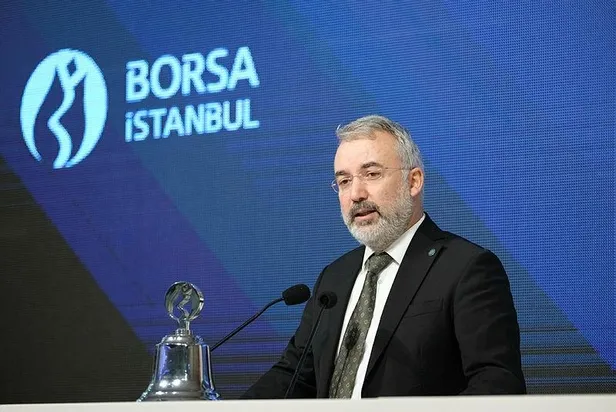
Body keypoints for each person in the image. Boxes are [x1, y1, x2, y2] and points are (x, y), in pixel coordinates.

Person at [242, 115, 526, 398]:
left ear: (413, 181)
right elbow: (293, 376)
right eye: (344, 181)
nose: (356, 194)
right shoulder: (334, 278)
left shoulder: (466, 268)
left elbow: (497, 383)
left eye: (372, 174)